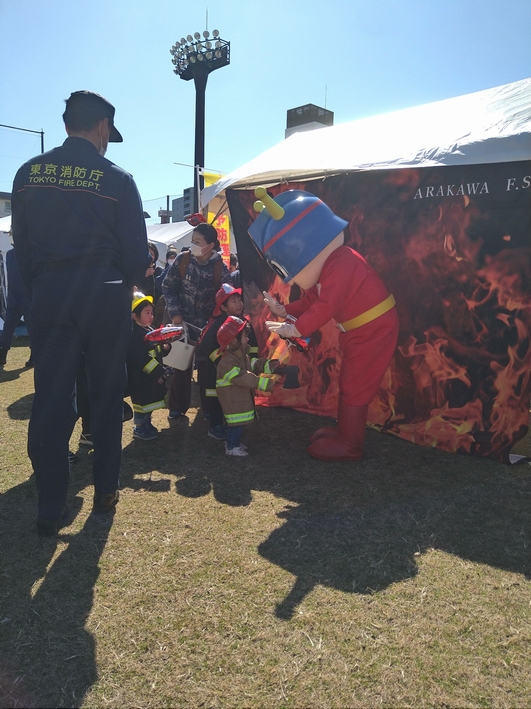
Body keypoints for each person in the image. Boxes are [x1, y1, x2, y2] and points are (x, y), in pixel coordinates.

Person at [11, 90, 149, 535]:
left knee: (51, 399)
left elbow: (21, 248)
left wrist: (42, 289)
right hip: (105, 294)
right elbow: (136, 255)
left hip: (50, 293)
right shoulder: (118, 179)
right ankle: (105, 491)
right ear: (103, 128)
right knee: (107, 394)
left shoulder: (28, 173)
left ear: (67, 123)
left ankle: (50, 507)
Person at [249, 187, 399, 463]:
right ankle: (345, 433)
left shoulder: (342, 263)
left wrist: (297, 329)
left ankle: (350, 444)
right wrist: (285, 311)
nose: (291, 280)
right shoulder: (331, 266)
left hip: (373, 330)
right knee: (349, 381)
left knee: (355, 384)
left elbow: (326, 306)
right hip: (359, 331)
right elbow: (312, 301)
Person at [162, 222, 231, 419]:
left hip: (208, 329)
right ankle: (176, 407)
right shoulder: (183, 260)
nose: (193, 244)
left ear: (210, 245)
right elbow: (168, 287)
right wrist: (175, 313)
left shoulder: (220, 267)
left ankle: (209, 410)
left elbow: (226, 298)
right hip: (182, 324)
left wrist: (216, 323)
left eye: (197, 241)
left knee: (207, 369)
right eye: (192, 240)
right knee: (180, 366)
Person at [216, 316, 281, 456]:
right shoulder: (227, 361)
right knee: (235, 424)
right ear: (234, 340)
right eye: (245, 336)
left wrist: (269, 365)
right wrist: (264, 383)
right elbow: (242, 377)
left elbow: (253, 365)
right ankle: (232, 447)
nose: (247, 339)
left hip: (236, 399)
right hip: (232, 400)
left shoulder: (240, 356)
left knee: (236, 424)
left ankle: (233, 442)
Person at [195, 283, 244, 440]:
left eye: (239, 300)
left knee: (229, 399)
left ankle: (227, 425)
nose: (239, 303)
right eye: (233, 301)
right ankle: (215, 427)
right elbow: (205, 348)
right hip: (214, 373)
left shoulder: (241, 321)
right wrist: (220, 362)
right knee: (215, 399)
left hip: (231, 370)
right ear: (223, 307)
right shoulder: (218, 324)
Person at [126, 292, 170, 441]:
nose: (151, 316)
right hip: (141, 378)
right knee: (141, 405)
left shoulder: (150, 330)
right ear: (134, 316)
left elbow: (157, 351)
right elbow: (140, 359)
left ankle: (147, 423)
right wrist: (158, 372)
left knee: (150, 403)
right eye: (147, 313)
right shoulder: (134, 335)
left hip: (151, 377)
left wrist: (165, 347)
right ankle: (139, 427)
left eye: (151, 312)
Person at [0, 241, 33, 368]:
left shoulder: (29, 254)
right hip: (14, 297)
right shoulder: (10, 254)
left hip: (24, 297)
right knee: (8, 327)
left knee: (31, 327)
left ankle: (34, 355)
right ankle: (3, 353)